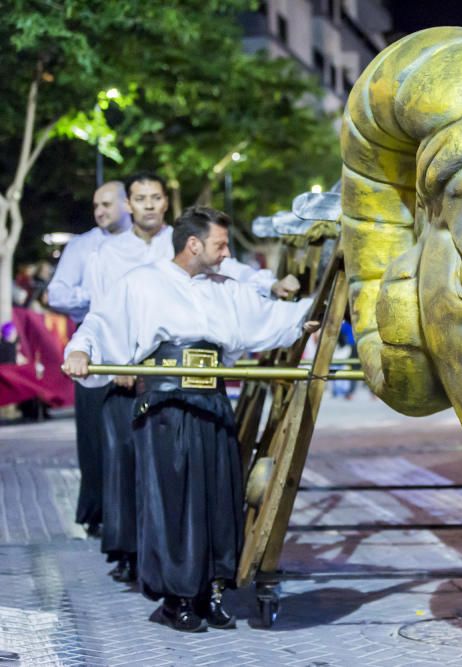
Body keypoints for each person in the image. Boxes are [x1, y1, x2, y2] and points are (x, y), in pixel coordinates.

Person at [63, 206, 319, 632]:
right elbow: (100, 323)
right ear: (193, 244)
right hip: (166, 408)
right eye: (220, 244)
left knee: (220, 497)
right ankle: (177, 599)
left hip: (213, 403)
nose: (225, 253)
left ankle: (213, 593)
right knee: (174, 503)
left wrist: (309, 318)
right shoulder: (142, 283)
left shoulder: (226, 288)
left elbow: (269, 318)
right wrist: (79, 352)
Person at [46, 181, 133, 536]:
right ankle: (98, 513)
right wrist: (98, 296)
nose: (100, 211)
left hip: (140, 344)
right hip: (93, 342)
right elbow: (57, 293)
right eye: (96, 205)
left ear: (126, 204)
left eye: (107, 204)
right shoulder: (84, 246)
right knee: (95, 436)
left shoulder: (155, 243)